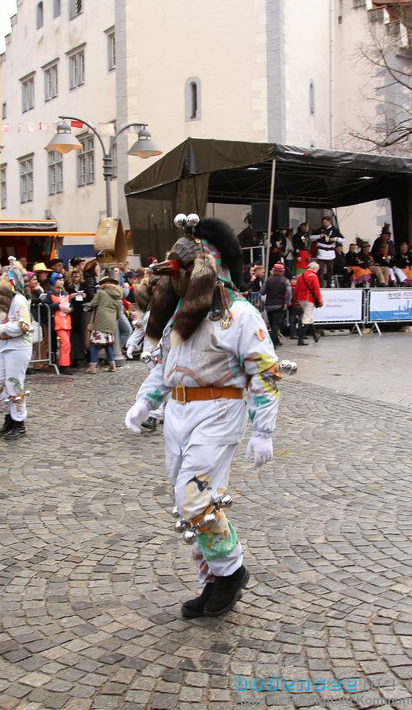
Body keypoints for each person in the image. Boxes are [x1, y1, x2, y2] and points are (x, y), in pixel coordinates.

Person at [124, 216, 280, 619]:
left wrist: (263, 430)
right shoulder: (181, 312)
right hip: (178, 412)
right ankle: (212, 576)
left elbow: (264, 369)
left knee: (193, 498)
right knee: (188, 503)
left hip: (218, 411)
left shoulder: (241, 315)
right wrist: (146, 402)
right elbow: (165, 365)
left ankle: (231, 572)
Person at [0, 259, 32, 439]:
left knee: (14, 384)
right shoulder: (0, 302)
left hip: (18, 348)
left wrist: (0, 329)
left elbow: (23, 325)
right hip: (2, 348)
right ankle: (8, 416)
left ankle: (19, 422)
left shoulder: (18, 300)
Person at [86, 276, 123, 373]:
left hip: (100, 321)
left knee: (94, 343)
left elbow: (93, 303)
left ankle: (93, 366)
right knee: (108, 344)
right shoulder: (118, 296)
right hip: (111, 322)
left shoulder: (101, 292)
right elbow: (119, 313)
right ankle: (112, 365)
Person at [293, 261, 323, 345]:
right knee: (307, 319)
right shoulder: (313, 276)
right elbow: (316, 290)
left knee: (309, 318)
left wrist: (296, 300)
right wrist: (320, 300)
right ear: (315, 268)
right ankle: (300, 339)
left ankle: (315, 336)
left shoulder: (300, 276)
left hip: (301, 299)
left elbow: (297, 289)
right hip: (309, 299)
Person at [310, 216, 343, 288]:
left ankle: (329, 284)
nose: (324, 224)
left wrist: (335, 239)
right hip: (321, 251)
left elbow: (343, 239)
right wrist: (319, 236)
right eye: (323, 222)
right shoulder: (320, 230)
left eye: (325, 222)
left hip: (330, 252)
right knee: (320, 269)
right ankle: (320, 284)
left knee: (330, 269)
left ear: (329, 222)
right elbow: (311, 237)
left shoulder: (334, 230)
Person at [263, 263, 291, 347]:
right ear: (282, 272)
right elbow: (289, 292)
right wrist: (286, 302)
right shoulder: (285, 280)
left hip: (269, 305)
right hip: (279, 305)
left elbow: (262, 291)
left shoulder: (268, 280)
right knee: (277, 324)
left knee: (272, 324)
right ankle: (272, 343)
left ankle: (276, 341)